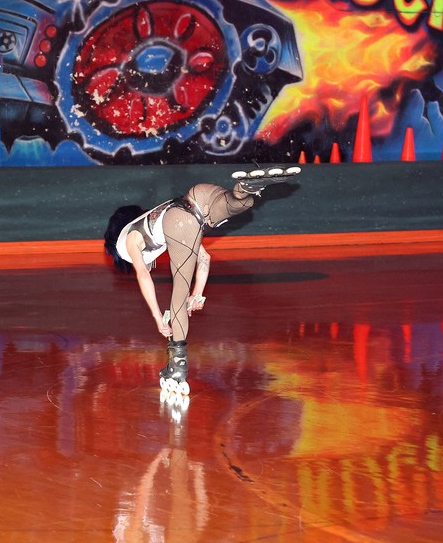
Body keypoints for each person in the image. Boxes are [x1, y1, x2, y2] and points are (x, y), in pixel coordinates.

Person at [103, 167, 300, 394]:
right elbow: (204, 257)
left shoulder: (128, 240)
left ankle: (177, 366)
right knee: (238, 203)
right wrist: (197, 294)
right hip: (197, 196)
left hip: (182, 220)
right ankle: (245, 189)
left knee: (179, 295)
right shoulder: (156, 218)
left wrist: (158, 317)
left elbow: (142, 274)